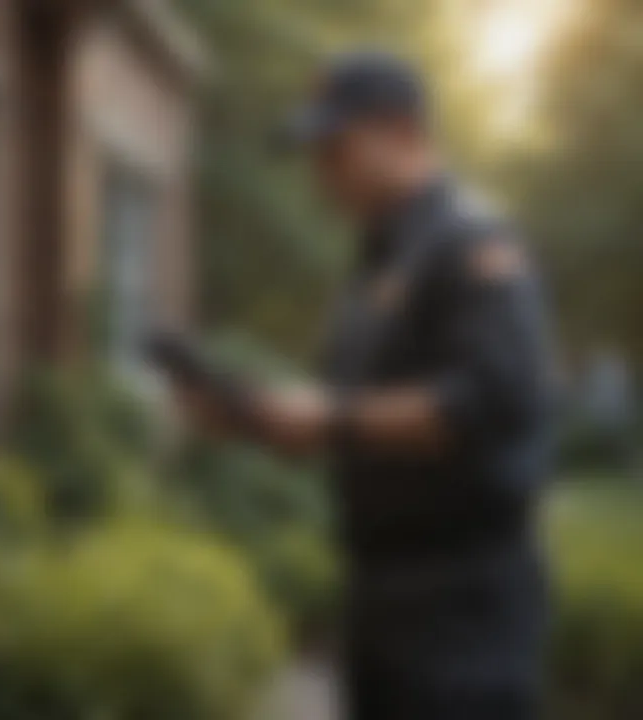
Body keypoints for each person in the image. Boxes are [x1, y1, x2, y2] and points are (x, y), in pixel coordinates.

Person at [174, 51, 554, 720]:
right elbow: (352, 417)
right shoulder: (378, 263)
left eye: (335, 146)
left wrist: (332, 422)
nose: (319, 172)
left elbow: (493, 398)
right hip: (381, 597)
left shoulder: (470, 243)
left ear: (402, 132)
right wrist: (254, 418)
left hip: (461, 607)